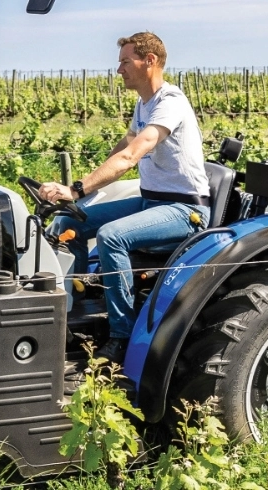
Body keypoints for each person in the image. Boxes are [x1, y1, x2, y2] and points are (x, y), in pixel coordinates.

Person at [39, 32, 208, 365]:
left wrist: (76, 190)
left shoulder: (169, 102)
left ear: (150, 61)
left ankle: (121, 335)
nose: (119, 70)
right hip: (151, 202)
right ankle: (78, 302)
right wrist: (79, 189)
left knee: (111, 236)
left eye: (125, 62)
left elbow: (132, 155)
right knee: (71, 221)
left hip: (183, 210)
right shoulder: (144, 103)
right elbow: (124, 144)